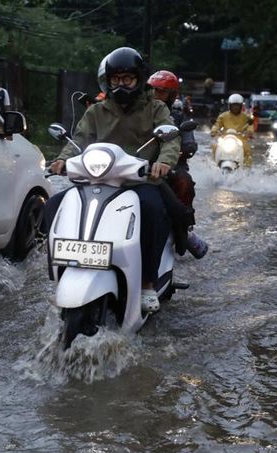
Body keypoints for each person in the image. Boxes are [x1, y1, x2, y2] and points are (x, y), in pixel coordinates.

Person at [45, 47, 180, 312]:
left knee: (154, 212)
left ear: (139, 79)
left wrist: (163, 163)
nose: (121, 84)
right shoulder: (96, 111)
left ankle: (147, 283)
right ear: (108, 81)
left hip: (139, 182)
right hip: (98, 181)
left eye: (127, 79)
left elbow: (170, 140)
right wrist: (62, 159)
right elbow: (80, 139)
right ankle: (62, 272)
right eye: (115, 79)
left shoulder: (156, 108)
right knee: (53, 207)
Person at [146, 70, 208, 259]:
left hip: (173, 164)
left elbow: (188, 139)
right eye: (153, 91)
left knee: (184, 181)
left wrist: (188, 146)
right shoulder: (140, 113)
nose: (156, 96)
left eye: (162, 92)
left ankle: (184, 228)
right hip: (141, 163)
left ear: (172, 95)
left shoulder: (178, 116)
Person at [212, 93, 253, 166]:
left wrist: (249, 132)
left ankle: (247, 171)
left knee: (247, 150)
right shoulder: (223, 116)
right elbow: (217, 124)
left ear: (241, 106)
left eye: (237, 105)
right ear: (229, 105)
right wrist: (214, 131)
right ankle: (214, 165)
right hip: (225, 138)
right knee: (215, 146)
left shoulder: (246, 116)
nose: (235, 107)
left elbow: (250, 125)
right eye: (234, 105)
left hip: (240, 139)